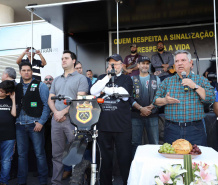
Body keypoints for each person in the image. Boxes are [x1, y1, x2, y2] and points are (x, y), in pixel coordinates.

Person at [154, 50, 215, 146]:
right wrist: (165, 100)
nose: (180, 63)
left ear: (191, 63)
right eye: (177, 61)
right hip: (172, 129)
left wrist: (195, 86)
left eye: (183, 60)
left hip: (195, 129)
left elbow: (210, 98)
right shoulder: (167, 81)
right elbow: (155, 101)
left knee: (197, 159)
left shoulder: (201, 80)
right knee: (172, 159)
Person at [91, 54, 133, 185]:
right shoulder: (102, 78)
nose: (113, 66)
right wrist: (107, 78)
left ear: (122, 65)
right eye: (110, 64)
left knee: (125, 159)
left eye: (116, 63)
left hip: (122, 127)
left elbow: (125, 95)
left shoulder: (127, 79)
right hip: (104, 126)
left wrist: (105, 90)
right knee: (105, 160)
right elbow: (93, 91)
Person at [48, 50, 88, 185]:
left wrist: (63, 112)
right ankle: (55, 182)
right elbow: (50, 100)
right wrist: (55, 112)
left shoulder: (81, 79)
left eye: (66, 58)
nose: (63, 60)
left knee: (76, 154)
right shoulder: (57, 79)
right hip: (56, 121)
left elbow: (79, 100)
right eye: (62, 58)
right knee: (56, 154)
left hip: (72, 121)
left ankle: (78, 182)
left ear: (73, 60)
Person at [15, 62, 50, 185]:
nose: (26, 72)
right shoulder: (17, 87)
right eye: (23, 70)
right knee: (21, 156)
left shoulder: (41, 86)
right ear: (20, 72)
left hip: (35, 124)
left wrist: (41, 122)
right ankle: (21, 182)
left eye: (28, 70)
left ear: (31, 71)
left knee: (40, 154)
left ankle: (43, 181)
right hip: (19, 124)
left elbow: (47, 106)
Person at [130, 56, 161, 158]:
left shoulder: (156, 79)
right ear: (138, 65)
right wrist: (140, 108)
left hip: (152, 115)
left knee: (155, 143)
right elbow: (129, 97)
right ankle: (136, 167)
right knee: (135, 143)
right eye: (142, 63)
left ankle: (156, 168)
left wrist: (150, 107)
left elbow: (159, 95)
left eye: (147, 64)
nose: (145, 65)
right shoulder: (131, 79)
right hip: (135, 116)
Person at [0, 80, 16, 185]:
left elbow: (14, 114)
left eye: (1, 91)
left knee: (6, 161)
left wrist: (13, 100)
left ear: (8, 93)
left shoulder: (10, 100)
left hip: (9, 136)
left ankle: (3, 181)